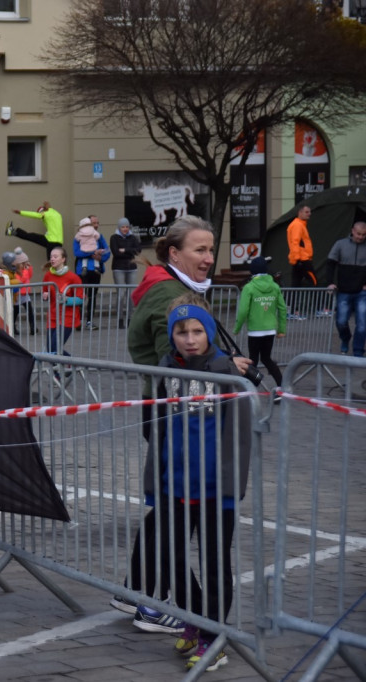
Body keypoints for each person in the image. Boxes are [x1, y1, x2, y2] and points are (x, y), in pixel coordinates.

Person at [120, 215, 252, 632]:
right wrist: (222, 366)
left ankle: (140, 591)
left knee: (169, 512)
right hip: (182, 416)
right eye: (200, 249)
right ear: (174, 253)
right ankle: (163, 604)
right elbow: (177, 366)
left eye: (211, 249)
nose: (209, 258)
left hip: (182, 411)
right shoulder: (169, 294)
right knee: (171, 514)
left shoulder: (177, 288)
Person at [146, 292, 251, 672]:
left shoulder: (226, 374)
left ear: (208, 332)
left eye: (196, 331)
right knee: (171, 560)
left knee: (214, 563)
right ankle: (196, 619)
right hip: (174, 484)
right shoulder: (165, 369)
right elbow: (157, 431)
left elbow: (238, 438)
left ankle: (213, 637)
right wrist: (153, 478)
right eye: (180, 331)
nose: (189, 339)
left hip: (212, 489)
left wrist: (229, 485)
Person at [233, 257, 287, 388]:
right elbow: (282, 308)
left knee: (253, 360)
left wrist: (237, 328)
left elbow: (243, 311)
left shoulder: (249, 287)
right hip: (270, 330)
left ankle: (249, 389)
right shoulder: (275, 286)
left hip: (255, 331)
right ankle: (282, 386)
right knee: (267, 359)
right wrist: (281, 330)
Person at [323, 221, 366, 357]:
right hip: (344, 290)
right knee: (341, 321)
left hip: (362, 292)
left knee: (362, 324)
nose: (360, 237)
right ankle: (345, 338)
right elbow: (330, 264)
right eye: (358, 234)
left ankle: (358, 352)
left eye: (364, 235)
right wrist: (330, 282)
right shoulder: (340, 244)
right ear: (352, 231)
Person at [39, 245, 82, 355]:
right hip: (53, 317)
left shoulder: (73, 277)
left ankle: (66, 368)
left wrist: (67, 299)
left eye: (55, 256)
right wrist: (45, 295)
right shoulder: (48, 276)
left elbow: (81, 299)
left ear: (63, 259)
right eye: (51, 257)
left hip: (67, 317)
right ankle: (69, 366)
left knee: (54, 348)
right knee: (50, 350)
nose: (52, 259)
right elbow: (45, 293)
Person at [73, 217, 110, 330]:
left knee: (92, 297)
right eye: (93, 223)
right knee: (80, 296)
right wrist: (92, 253)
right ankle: (78, 321)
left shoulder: (99, 236)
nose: (96, 225)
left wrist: (101, 257)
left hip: (95, 270)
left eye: (97, 223)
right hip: (82, 271)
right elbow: (77, 252)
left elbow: (107, 251)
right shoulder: (78, 236)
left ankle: (89, 321)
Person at [110, 217, 143, 328]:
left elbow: (138, 250)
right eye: (123, 227)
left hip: (132, 267)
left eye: (127, 227)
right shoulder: (114, 238)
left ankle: (130, 318)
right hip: (118, 268)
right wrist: (130, 251)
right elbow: (116, 253)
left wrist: (125, 249)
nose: (125, 229)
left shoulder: (133, 237)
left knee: (131, 295)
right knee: (121, 294)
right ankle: (120, 319)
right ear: (119, 227)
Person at [2, 248, 36, 336]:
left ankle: (33, 327)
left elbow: (30, 275)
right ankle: (13, 326)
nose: (26, 265)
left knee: (30, 310)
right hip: (18, 294)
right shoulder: (16, 272)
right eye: (24, 263)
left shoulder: (26, 270)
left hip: (25, 294)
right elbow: (20, 280)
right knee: (16, 312)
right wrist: (24, 272)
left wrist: (30, 268)